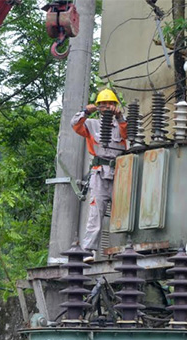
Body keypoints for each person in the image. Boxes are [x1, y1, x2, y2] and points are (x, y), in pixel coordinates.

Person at [71, 88, 127, 257]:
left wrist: (119, 117)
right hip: (100, 173)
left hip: (121, 174)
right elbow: (75, 125)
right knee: (96, 213)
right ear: (99, 106)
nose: (107, 107)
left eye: (110, 104)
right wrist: (86, 111)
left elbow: (128, 134)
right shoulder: (92, 124)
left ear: (115, 106)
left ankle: (124, 249)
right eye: (103, 104)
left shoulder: (121, 124)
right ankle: (88, 250)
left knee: (124, 212)